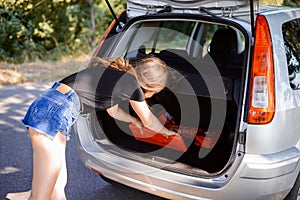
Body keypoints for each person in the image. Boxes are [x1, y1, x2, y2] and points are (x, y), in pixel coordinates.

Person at [21, 56, 177, 200]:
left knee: (58, 186)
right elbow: (149, 120)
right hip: (54, 112)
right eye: (158, 91)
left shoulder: (117, 77)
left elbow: (113, 111)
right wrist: (167, 132)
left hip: (49, 105)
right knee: (41, 195)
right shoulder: (131, 85)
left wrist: (134, 121)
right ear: (153, 86)